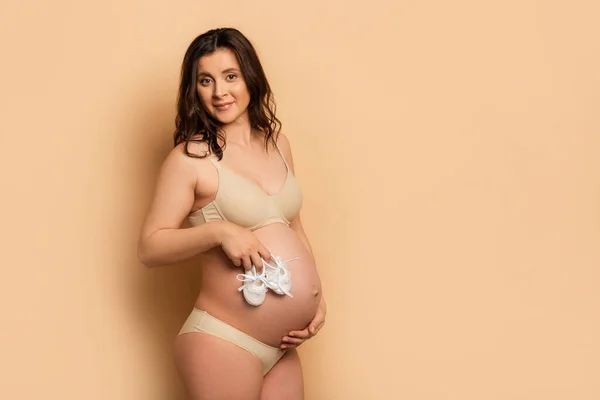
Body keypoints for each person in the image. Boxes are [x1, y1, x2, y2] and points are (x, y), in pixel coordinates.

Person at [137, 27, 327, 400]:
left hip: (283, 346)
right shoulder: (188, 159)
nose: (219, 92)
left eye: (230, 76)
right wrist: (219, 231)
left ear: (250, 79)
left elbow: (294, 228)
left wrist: (318, 300)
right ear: (194, 89)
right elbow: (150, 247)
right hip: (224, 340)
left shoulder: (278, 145)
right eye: (205, 80)